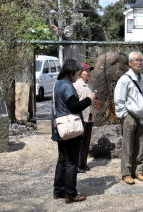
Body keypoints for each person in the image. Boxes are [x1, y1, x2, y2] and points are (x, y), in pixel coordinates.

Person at [52, 59, 95, 204]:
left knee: (62, 161)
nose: (78, 74)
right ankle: (70, 194)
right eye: (77, 72)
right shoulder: (68, 86)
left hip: (60, 127)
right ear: (72, 71)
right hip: (70, 128)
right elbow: (75, 107)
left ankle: (58, 191)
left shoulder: (58, 83)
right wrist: (89, 99)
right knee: (71, 162)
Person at [114, 51, 143, 185]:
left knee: (140, 144)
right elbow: (119, 99)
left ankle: (138, 170)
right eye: (136, 60)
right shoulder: (125, 79)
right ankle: (126, 173)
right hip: (129, 115)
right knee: (128, 145)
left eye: (141, 60)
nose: (139, 62)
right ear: (130, 63)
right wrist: (123, 115)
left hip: (141, 116)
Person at [73, 62, 94, 173]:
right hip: (80, 117)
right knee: (80, 142)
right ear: (80, 72)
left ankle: (83, 163)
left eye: (89, 70)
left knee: (86, 141)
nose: (89, 73)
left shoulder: (88, 85)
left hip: (89, 117)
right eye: (87, 70)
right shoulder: (76, 85)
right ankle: (77, 164)